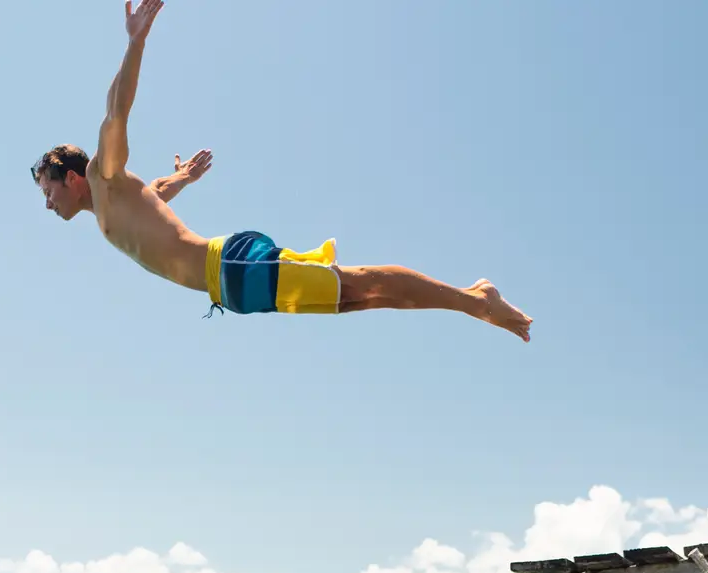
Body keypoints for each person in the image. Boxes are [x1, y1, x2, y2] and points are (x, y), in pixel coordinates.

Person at [31, 0, 531, 340]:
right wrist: (181, 179)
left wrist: (136, 42)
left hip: (229, 266)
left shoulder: (103, 174)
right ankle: (471, 301)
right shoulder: (109, 203)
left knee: (355, 283)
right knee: (357, 300)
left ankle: (476, 299)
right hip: (231, 288)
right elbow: (155, 193)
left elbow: (116, 112)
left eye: (48, 190)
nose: (48, 203)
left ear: (71, 177)